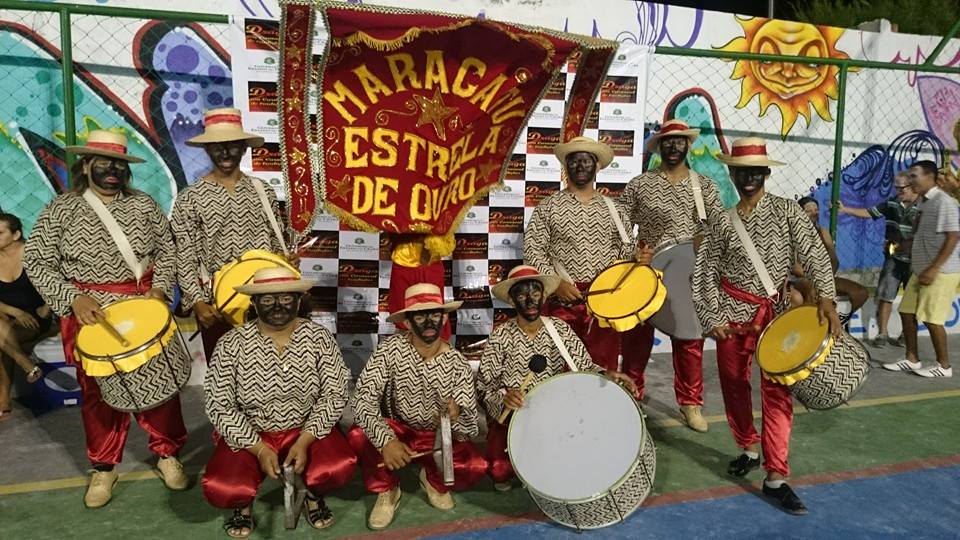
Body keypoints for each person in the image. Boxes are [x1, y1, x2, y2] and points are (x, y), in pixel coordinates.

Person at [24, 130, 189, 507]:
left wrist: (160, 290)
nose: (112, 169)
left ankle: (167, 454)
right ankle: (103, 467)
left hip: (143, 308)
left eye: (119, 163)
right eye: (103, 163)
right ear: (86, 165)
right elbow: (37, 261)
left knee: (159, 387)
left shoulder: (144, 205)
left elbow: (167, 251)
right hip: (92, 316)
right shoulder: (61, 209)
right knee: (98, 395)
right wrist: (73, 298)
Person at [692, 137, 841, 515]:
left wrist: (826, 297)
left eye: (756, 171)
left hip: (775, 317)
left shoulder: (788, 211)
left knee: (777, 393)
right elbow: (705, 273)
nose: (749, 178)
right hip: (731, 317)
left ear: (766, 173)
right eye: (742, 172)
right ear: (732, 174)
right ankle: (747, 446)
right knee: (733, 383)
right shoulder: (722, 221)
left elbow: (814, 254)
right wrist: (711, 317)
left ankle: (776, 476)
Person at [202, 267, 356, 538]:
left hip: (306, 429)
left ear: (298, 300)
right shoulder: (231, 343)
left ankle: (311, 494)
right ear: (254, 302)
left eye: (286, 298)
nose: (277, 306)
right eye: (267, 299)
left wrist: (305, 441)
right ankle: (242, 502)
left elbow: (335, 393)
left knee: (339, 467)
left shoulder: (319, 338)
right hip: (252, 432)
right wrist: (260, 450)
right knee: (222, 488)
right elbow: (219, 404)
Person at [478, 265, 638, 491]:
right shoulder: (500, 336)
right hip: (513, 417)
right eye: (521, 296)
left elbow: (584, 366)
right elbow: (484, 387)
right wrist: (504, 398)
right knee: (499, 471)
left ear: (544, 296)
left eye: (535, 294)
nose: (530, 301)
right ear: (512, 301)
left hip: (553, 415)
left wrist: (606, 374)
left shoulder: (559, 329)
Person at [347, 283, 486, 530]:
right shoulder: (390, 349)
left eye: (435, 315)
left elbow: (469, 431)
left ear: (444, 318)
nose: (429, 322)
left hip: (436, 438)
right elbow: (363, 399)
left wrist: (457, 414)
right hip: (398, 430)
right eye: (420, 316)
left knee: (476, 466)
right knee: (360, 435)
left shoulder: (458, 363)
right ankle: (388, 488)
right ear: (408, 323)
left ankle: (432, 478)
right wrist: (386, 441)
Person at [617, 119, 723, 432]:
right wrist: (633, 254)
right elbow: (620, 225)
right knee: (636, 338)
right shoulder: (640, 184)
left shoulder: (704, 186)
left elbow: (719, 230)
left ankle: (690, 404)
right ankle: (631, 396)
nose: (673, 147)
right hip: (647, 270)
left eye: (679, 141)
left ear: (687, 145)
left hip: (688, 272)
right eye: (667, 142)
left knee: (689, 338)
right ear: (660, 147)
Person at [171, 108, 297, 360]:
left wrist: (286, 263)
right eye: (218, 147)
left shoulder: (262, 191)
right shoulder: (190, 197)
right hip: (217, 304)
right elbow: (184, 255)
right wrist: (196, 301)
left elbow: (276, 242)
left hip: (266, 300)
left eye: (233, 146)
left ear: (244, 148)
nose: (226, 152)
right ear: (207, 149)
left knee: (269, 368)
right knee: (224, 371)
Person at [523, 136, 640, 377]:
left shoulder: (614, 209)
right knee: (560, 368)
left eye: (586, 161)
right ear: (566, 166)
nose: (580, 166)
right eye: (573, 161)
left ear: (596, 166)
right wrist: (556, 284)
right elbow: (533, 250)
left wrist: (638, 259)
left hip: (604, 305)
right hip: (562, 303)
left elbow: (626, 251)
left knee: (602, 370)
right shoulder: (549, 207)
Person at [883, 160, 960, 378]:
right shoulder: (924, 202)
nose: (910, 180)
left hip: (941, 271)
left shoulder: (944, 202)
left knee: (932, 319)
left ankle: (944, 366)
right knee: (907, 312)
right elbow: (917, 236)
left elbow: (953, 237)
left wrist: (934, 268)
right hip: (921, 270)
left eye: (914, 176)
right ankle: (912, 359)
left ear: (930, 177)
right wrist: (900, 246)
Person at [838, 173, 919, 347]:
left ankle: (907, 334)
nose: (898, 191)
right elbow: (870, 212)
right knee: (885, 295)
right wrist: (845, 209)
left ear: (913, 187)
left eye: (902, 188)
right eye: (896, 188)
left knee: (912, 299)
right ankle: (883, 333)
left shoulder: (924, 206)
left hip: (915, 260)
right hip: (894, 258)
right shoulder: (892, 203)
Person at [0, 213, 52, 420]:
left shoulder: (33, 253)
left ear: (15, 235)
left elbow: (58, 281)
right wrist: (14, 311)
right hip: (6, 316)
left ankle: (4, 400)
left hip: (33, 318)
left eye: (0, 233)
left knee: (3, 343)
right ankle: (25, 363)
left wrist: (46, 309)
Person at [794, 196, 869, 317]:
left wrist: (826, 277)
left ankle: (841, 320)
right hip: (802, 278)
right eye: (808, 211)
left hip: (823, 277)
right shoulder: (793, 233)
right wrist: (816, 278)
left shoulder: (823, 232)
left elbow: (834, 260)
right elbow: (795, 267)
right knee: (812, 291)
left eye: (816, 210)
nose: (814, 213)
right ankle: (810, 323)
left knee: (860, 293)